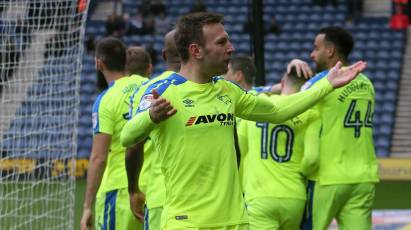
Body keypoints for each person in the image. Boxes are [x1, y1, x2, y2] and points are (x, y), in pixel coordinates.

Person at [120, 12, 366, 229]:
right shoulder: (162, 90)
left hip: (235, 221)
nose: (231, 48)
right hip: (186, 223)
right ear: (196, 51)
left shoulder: (227, 91)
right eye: (222, 42)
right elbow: (128, 137)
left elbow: (277, 111)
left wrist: (326, 85)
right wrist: (151, 117)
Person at [300, 26, 379, 230]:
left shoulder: (319, 83)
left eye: (316, 48)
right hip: (363, 177)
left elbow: (290, 109)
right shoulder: (366, 83)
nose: (312, 54)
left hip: (329, 176)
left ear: (330, 51)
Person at [237, 67, 321, 230]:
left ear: (282, 83)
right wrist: (298, 173)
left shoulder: (257, 103)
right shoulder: (311, 114)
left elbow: (240, 151)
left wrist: (241, 190)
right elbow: (312, 159)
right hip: (294, 196)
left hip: (259, 196)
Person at [80, 38, 150, 230]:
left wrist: (87, 206)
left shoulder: (106, 100)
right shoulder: (150, 87)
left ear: (98, 63)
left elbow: (98, 157)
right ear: (125, 62)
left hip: (118, 190)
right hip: (153, 187)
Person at [126, 29, 181, 230]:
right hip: (206, 198)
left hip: (160, 194)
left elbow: (133, 145)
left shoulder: (147, 90)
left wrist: (133, 190)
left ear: (164, 55)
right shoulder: (209, 86)